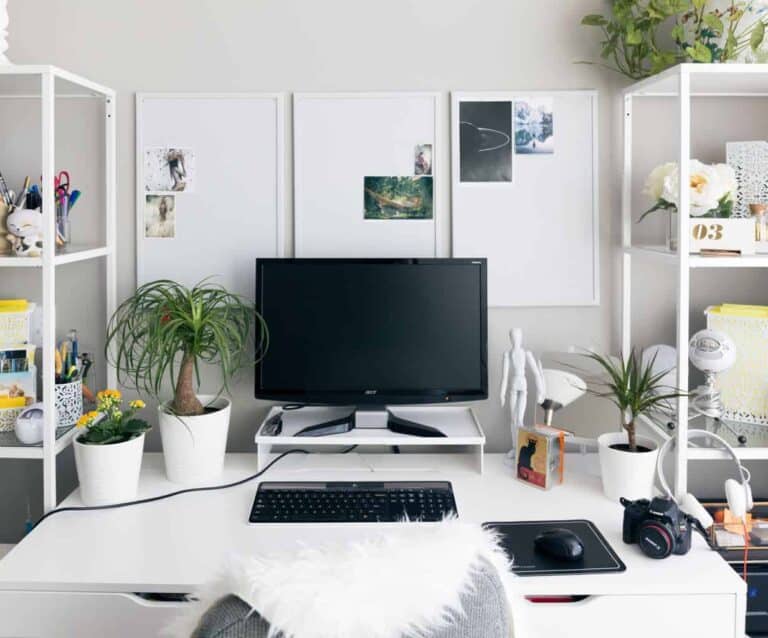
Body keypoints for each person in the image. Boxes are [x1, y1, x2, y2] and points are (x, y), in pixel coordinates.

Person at [499, 328, 544, 461]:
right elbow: (504, 376)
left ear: (521, 337)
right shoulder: (508, 354)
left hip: (523, 386)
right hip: (514, 386)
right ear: (510, 339)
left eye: (517, 336)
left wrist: (540, 391)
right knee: (513, 419)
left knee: (520, 420)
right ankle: (515, 447)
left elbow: (536, 373)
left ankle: (519, 447)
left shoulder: (526, 353)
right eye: (513, 337)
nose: (515, 339)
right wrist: (502, 394)